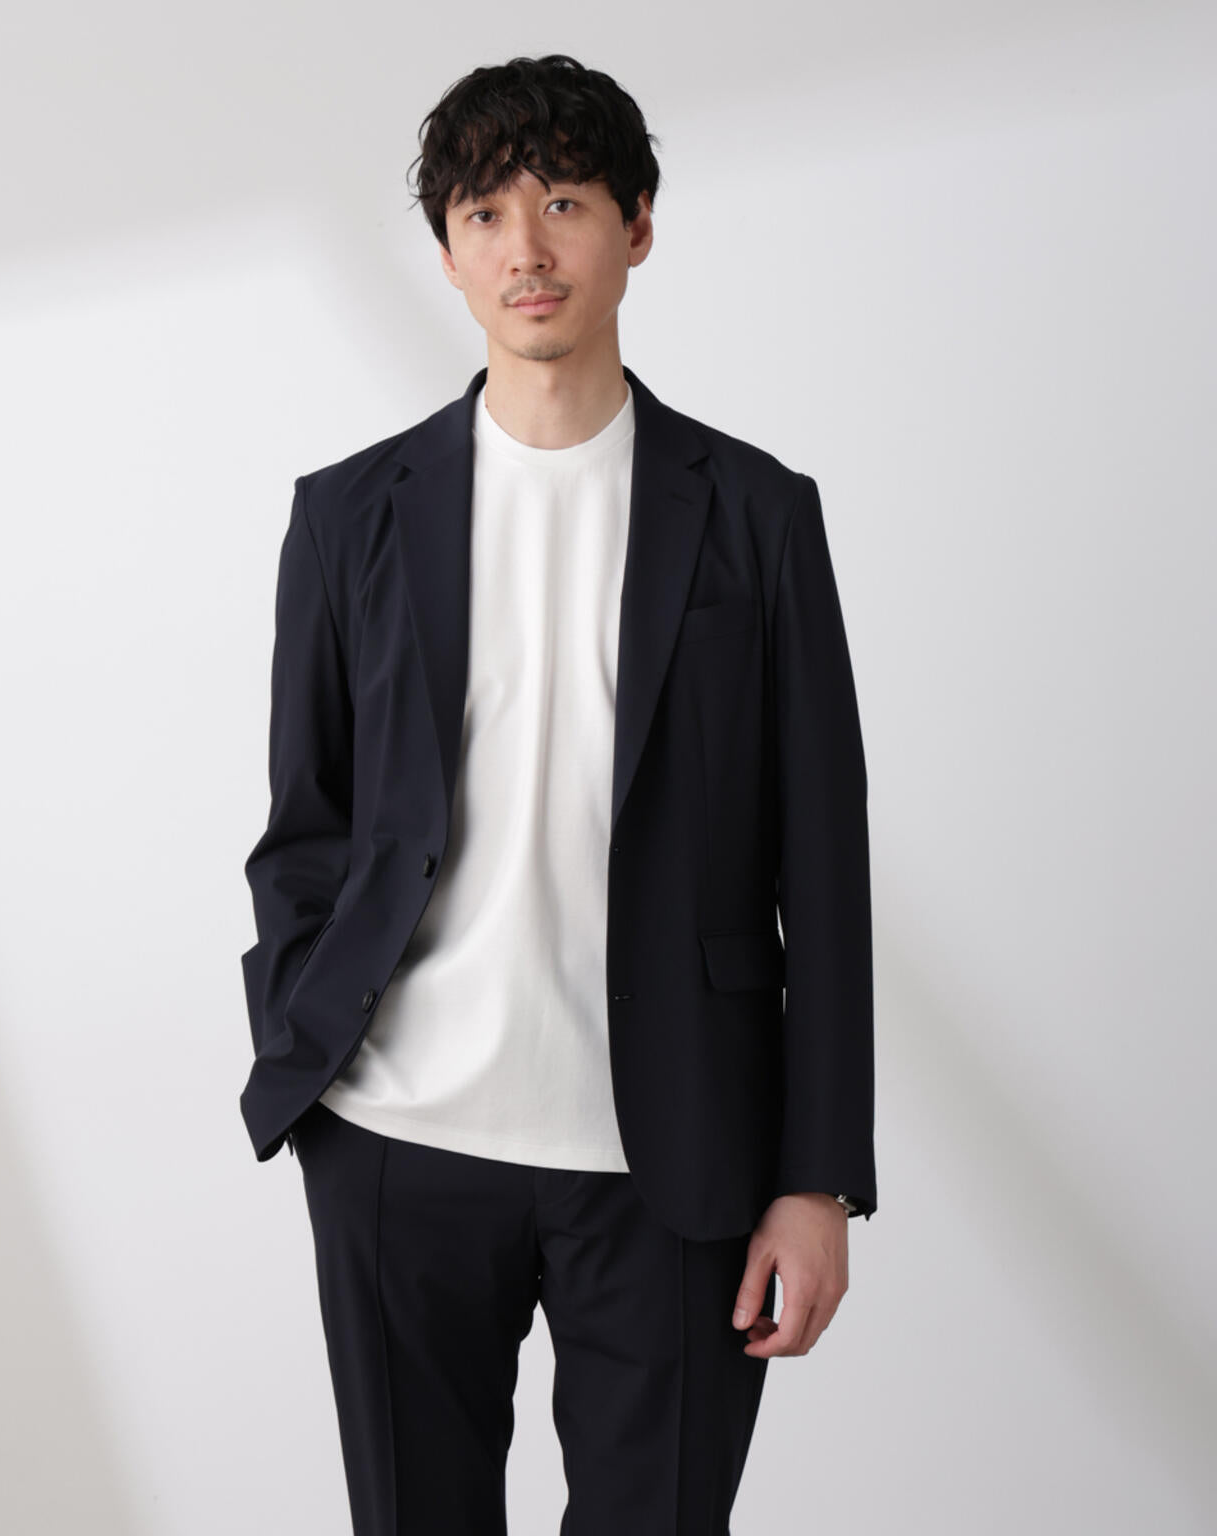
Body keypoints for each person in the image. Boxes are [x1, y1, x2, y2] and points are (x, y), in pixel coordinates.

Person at [239, 51, 876, 1536]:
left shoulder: (758, 517)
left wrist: (818, 1179)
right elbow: (306, 827)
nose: (526, 247)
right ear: (449, 254)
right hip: (397, 1137)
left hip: (676, 1158)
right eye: (484, 215)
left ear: (637, 226)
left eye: (566, 202)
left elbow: (824, 862)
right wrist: (303, 1043)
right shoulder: (348, 518)